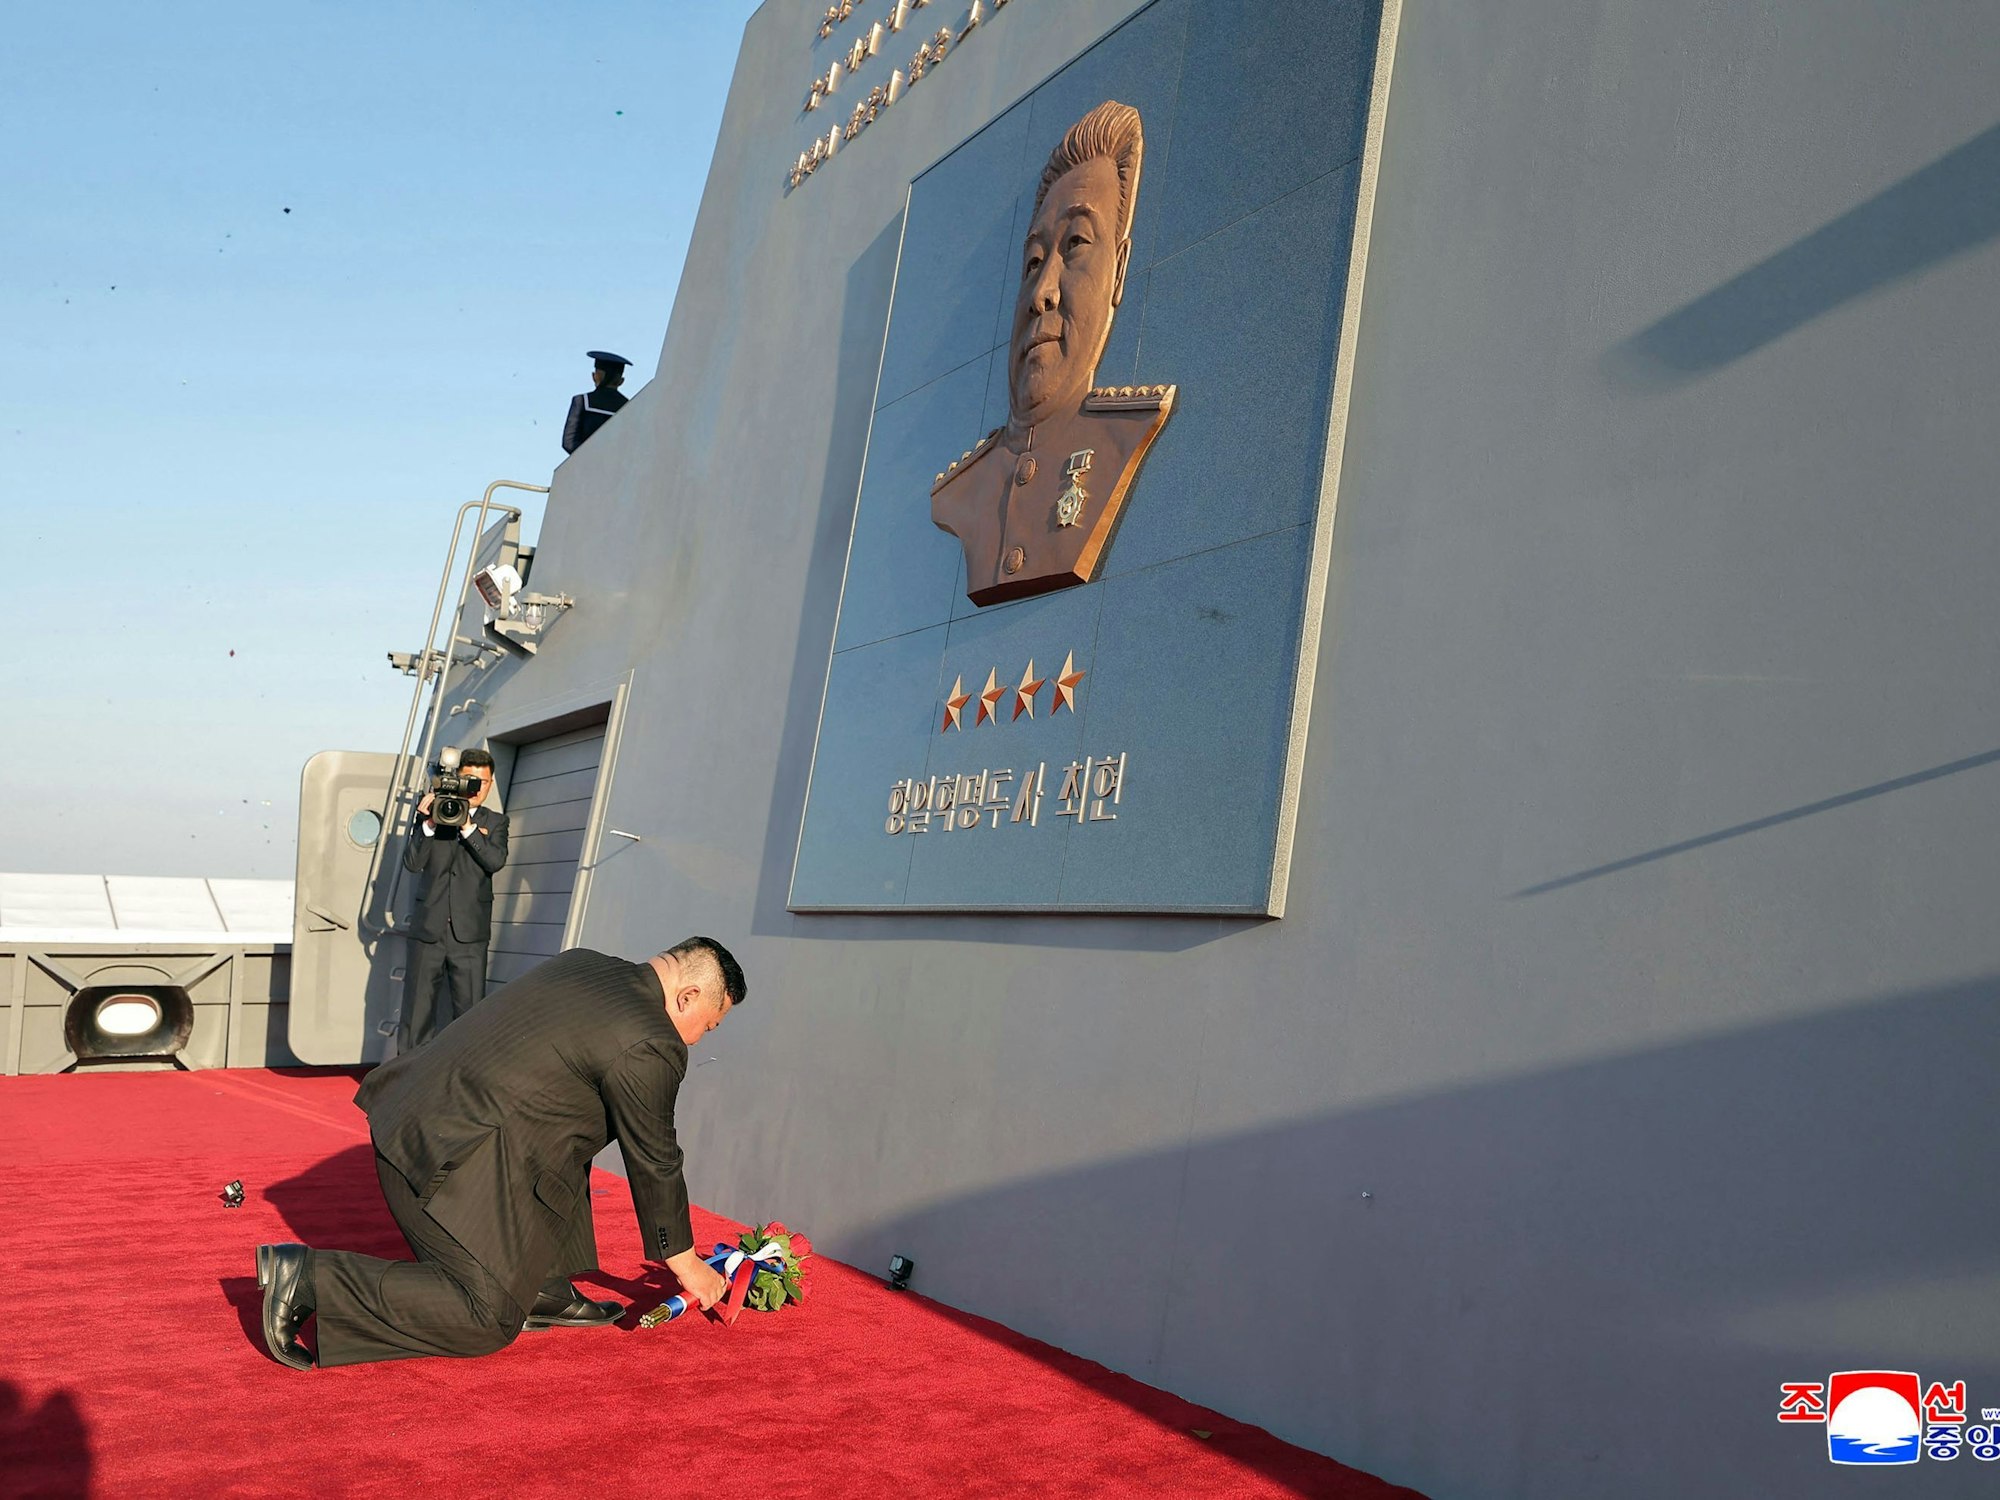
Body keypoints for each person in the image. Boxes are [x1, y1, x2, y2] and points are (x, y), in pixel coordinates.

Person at [253, 937, 747, 1370]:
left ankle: (543, 1288)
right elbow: (654, 1157)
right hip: (437, 1168)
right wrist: (687, 1264)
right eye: (711, 1025)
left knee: (570, 1117)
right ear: (687, 996)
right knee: (486, 1317)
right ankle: (308, 1278)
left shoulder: (583, 963)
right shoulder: (651, 1040)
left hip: (402, 1121)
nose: (702, 1037)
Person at [931, 100, 1177, 607]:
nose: (1042, 290)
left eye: (1077, 244)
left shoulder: (1124, 431)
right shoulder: (959, 493)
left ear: (1120, 269)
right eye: (1034, 260)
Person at [398, 747, 508, 1052]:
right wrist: (429, 824)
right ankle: (406, 1085)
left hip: (469, 935)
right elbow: (412, 862)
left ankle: (462, 1085)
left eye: (482, 782)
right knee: (416, 1015)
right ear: (456, 780)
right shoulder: (432, 815)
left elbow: (495, 861)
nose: (475, 788)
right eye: (469, 780)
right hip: (428, 931)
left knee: (471, 1015)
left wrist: (468, 828)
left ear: (490, 783)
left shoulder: (496, 822)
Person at [561, 350, 632, 453]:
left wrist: (592, 458)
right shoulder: (629, 406)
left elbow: (569, 442)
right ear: (621, 381)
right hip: (618, 466)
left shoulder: (582, 401)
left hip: (586, 465)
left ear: (595, 376)